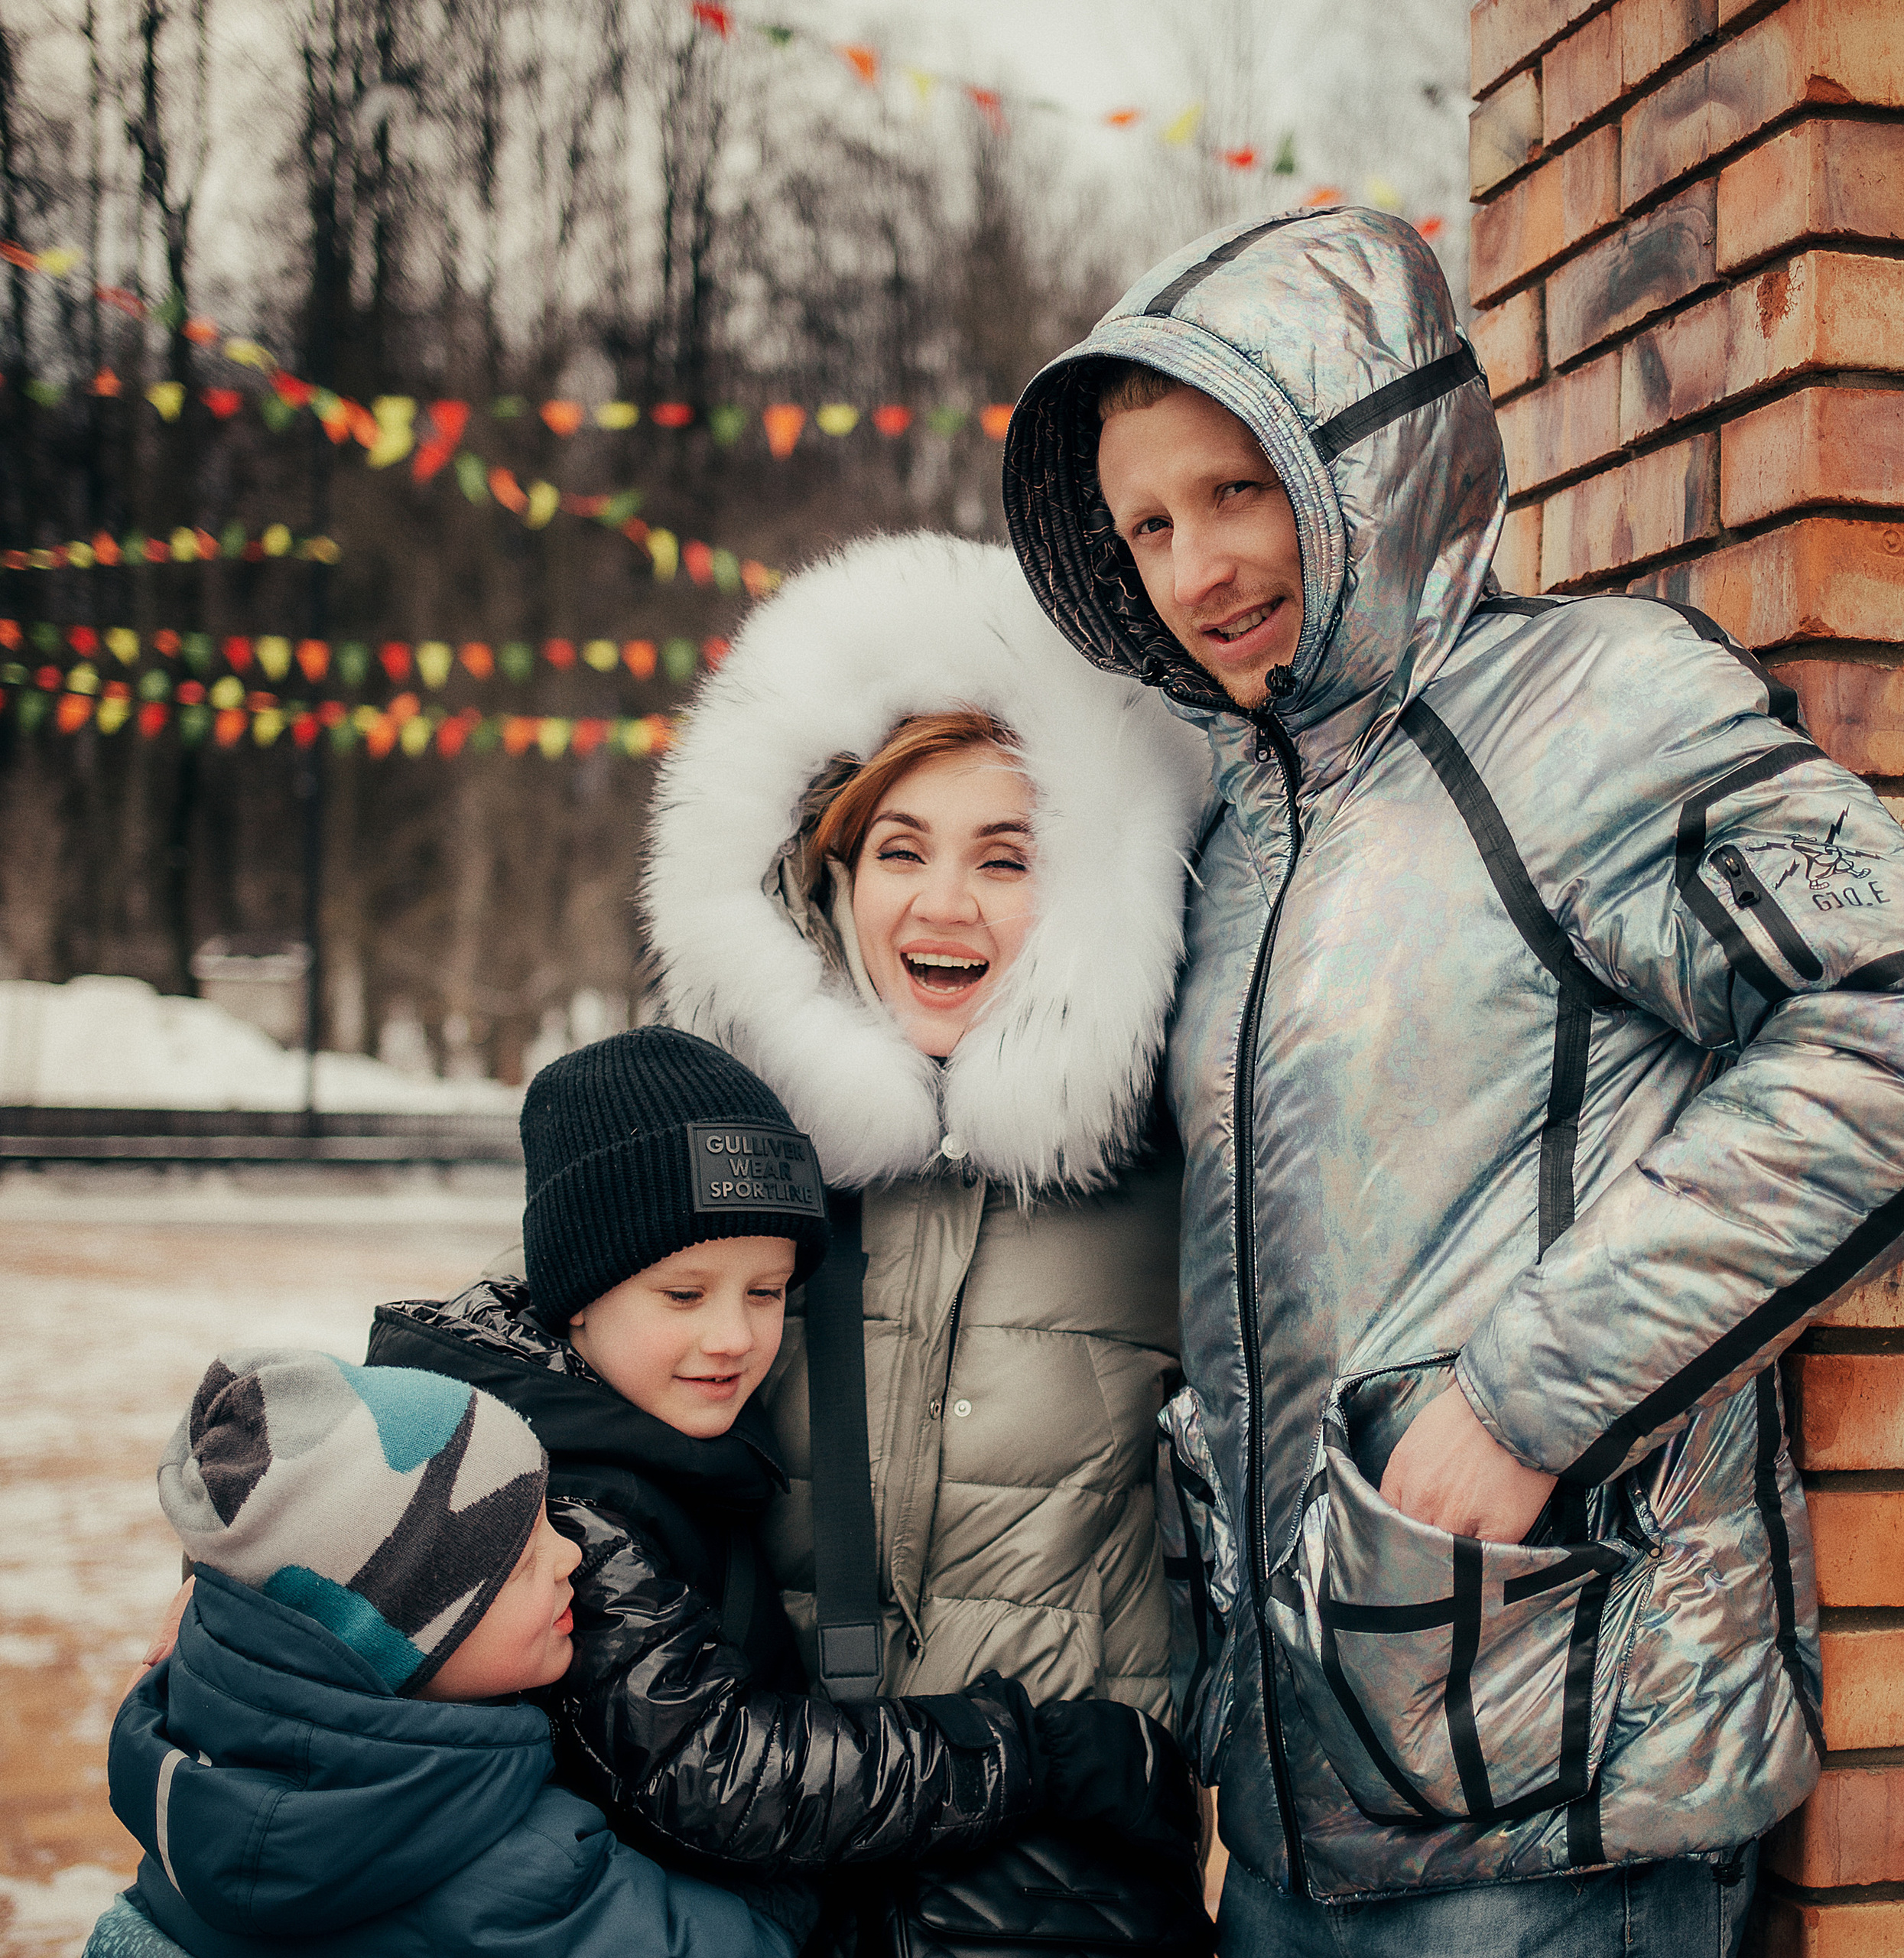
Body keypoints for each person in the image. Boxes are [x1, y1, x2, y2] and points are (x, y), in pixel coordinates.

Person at [999, 206, 1904, 1955]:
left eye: (1233, 489)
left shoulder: (1594, 708)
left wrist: (1529, 1396)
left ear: (1373, 455)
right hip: (1293, 1799)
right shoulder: (1227, 836)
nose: (1190, 566)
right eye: (1142, 522)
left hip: (1558, 1805)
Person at [367, 1023, 1190, 1918]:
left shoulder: (621, 1433)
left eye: (766, 1293)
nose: (733, 1338)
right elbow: (714, 1772)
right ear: (573, 1298)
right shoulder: (571, 1498)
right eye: (684, 1294)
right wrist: (1034, 1752)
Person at [640, 531, 1212, 1719]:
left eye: (1006, 860)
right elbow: (515, 1375)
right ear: (828, 878)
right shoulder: (721, 1145)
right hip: (777, 1833)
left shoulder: (1174, 1162)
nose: (943, 902)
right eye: (901, 850)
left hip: (1065, 1866)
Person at [96, 1348, 795, 1958]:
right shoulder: (521, 1881)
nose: (572, 1556)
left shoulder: (189, 1762)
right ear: (407, 1644)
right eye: (521, 1563)